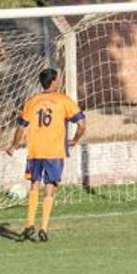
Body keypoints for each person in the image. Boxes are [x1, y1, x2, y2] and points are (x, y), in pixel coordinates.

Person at [5, 68, 86, 242]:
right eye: (58, 79)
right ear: (54, 82)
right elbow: (82, 124)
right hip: (55, 151)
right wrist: (75, 140)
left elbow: (21, 127)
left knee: (34, 186)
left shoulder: (32, 101)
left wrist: (14, 145)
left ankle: (29, 224)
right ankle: (43, 228)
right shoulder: (63, 100)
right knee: (50, 188)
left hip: (35, 151)